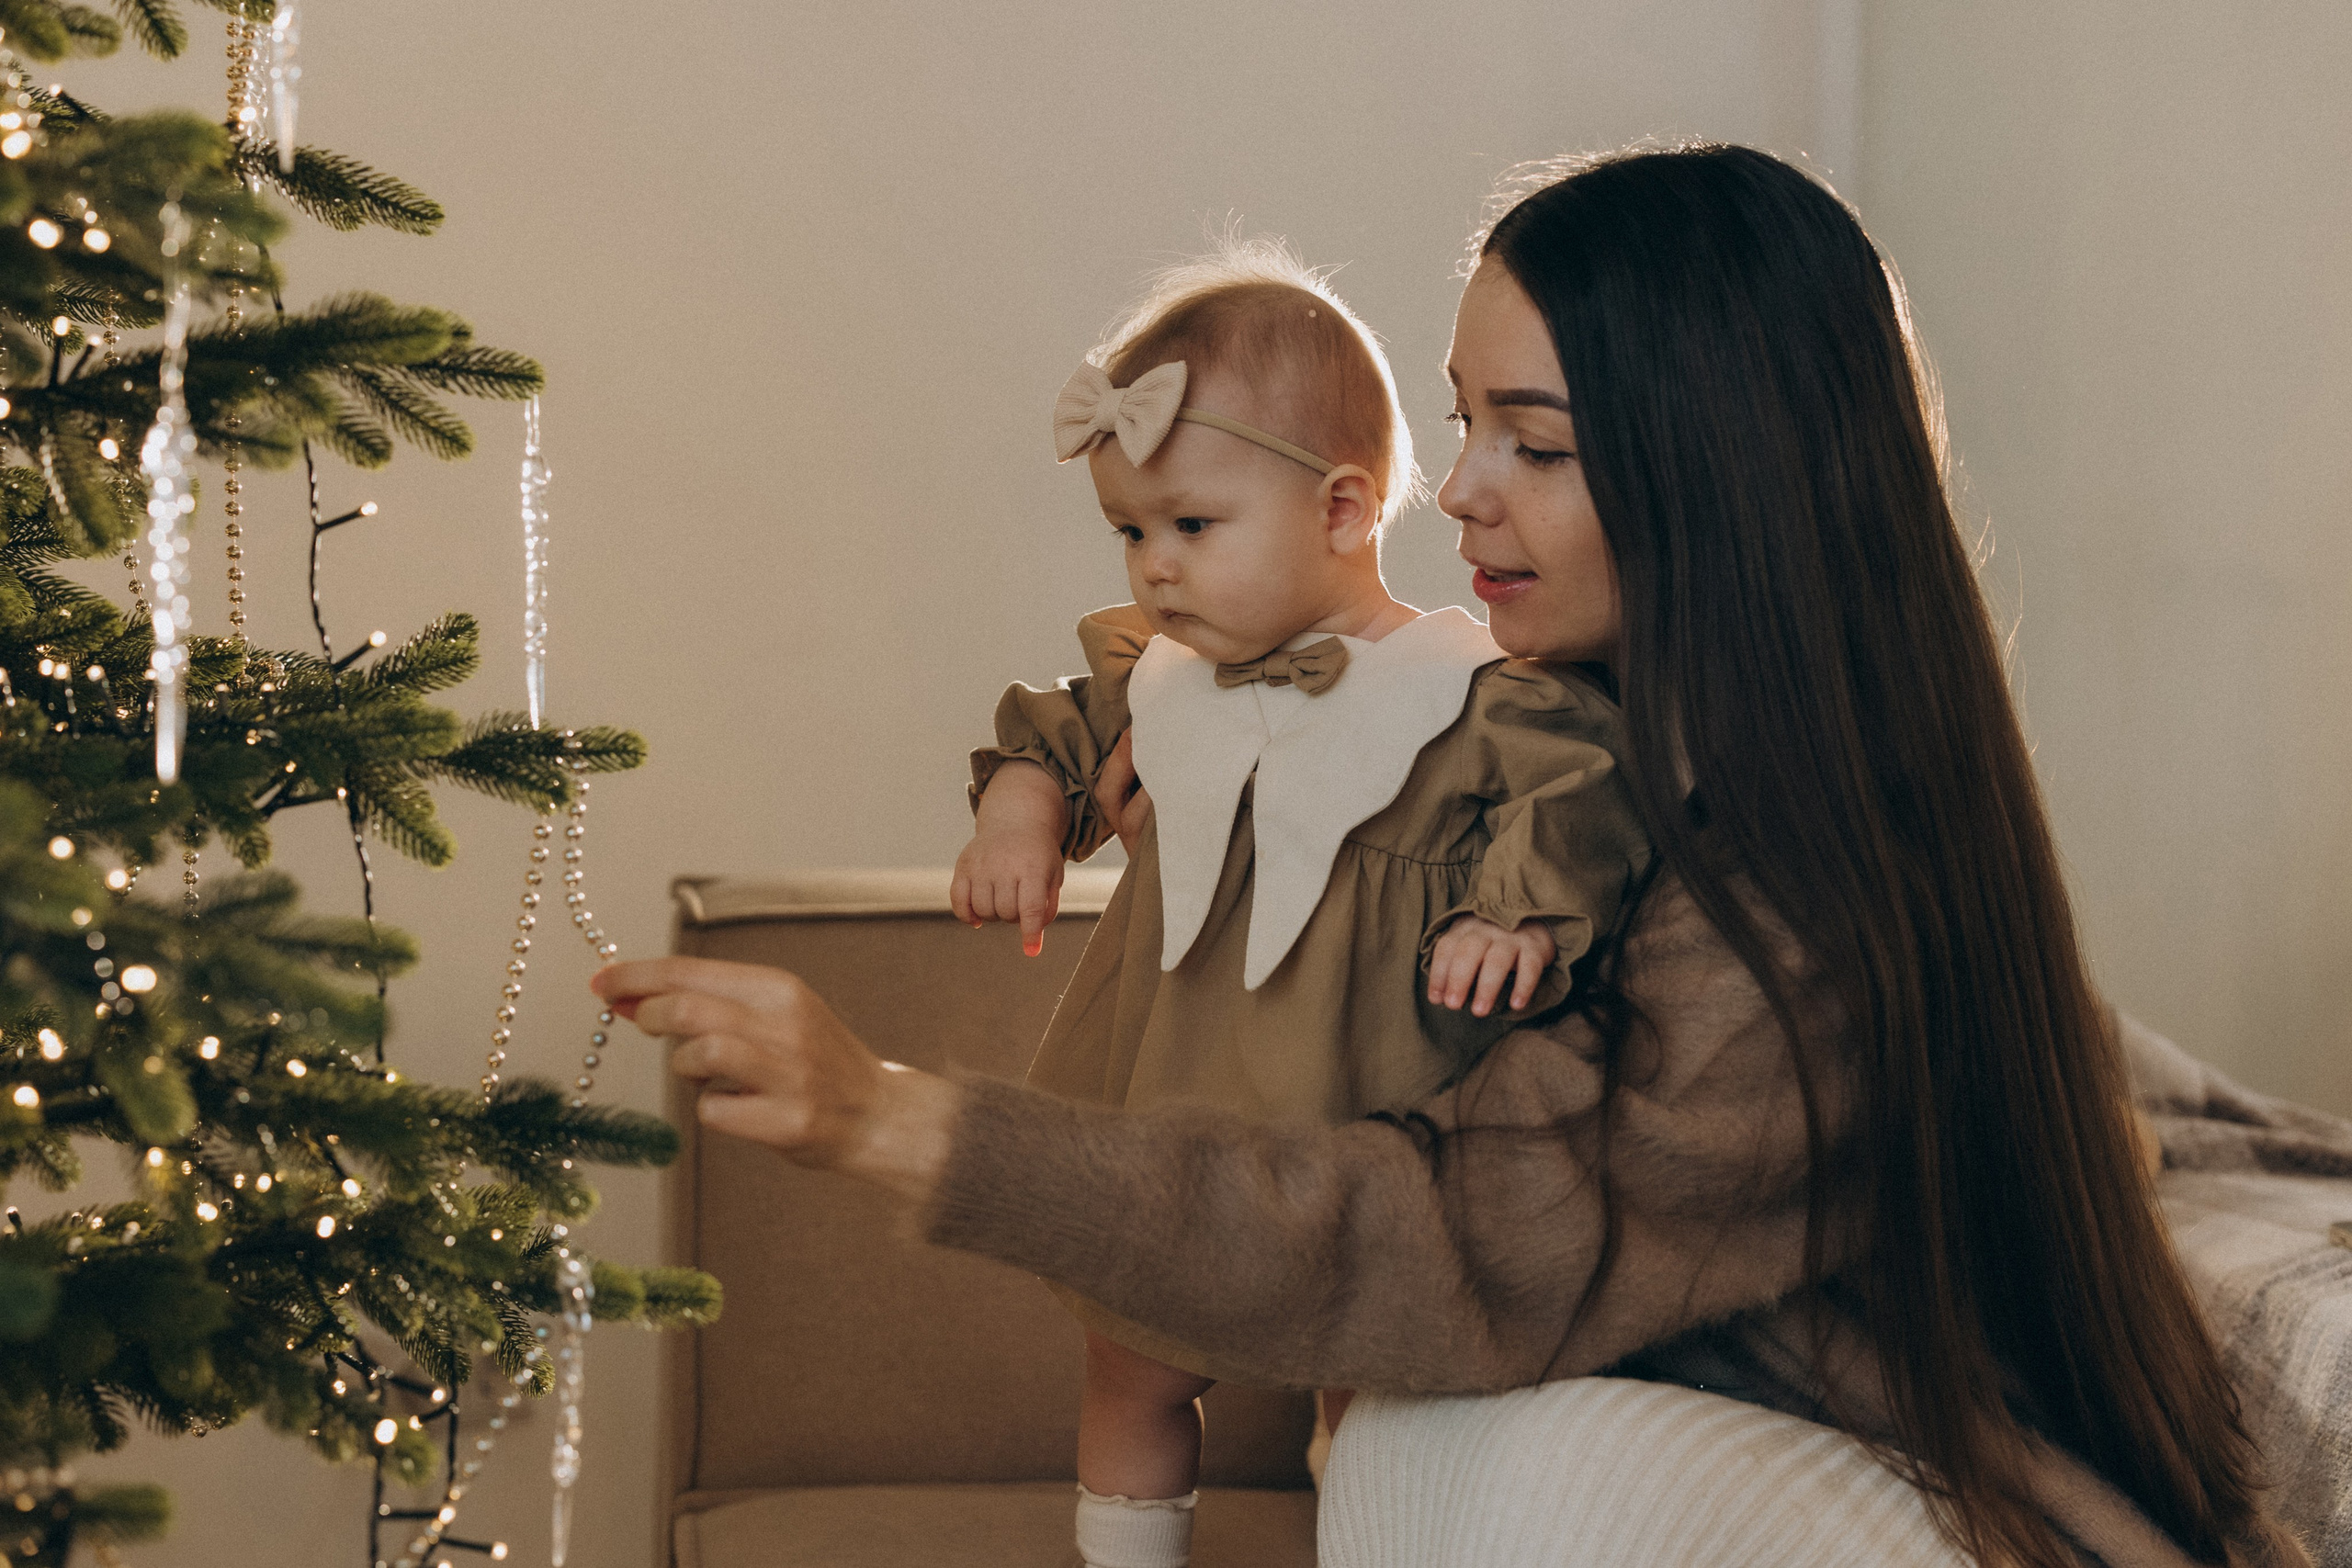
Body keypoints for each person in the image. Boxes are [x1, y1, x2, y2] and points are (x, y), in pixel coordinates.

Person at [596, 144, 2306, 1567]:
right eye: (1462, 423)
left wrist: (899, 1117)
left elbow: (1449, 1238)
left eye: (1537, 446)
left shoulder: (1805, 916)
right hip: (1697, 1413)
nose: (1459, 493)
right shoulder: (1537, 731)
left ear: (1723, 480)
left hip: (1949, 1513)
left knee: (1461, 1471)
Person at [950, 242, 1650, 1568]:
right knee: (1134, 1366)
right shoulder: (1161, 675)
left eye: (1193, 528)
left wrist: (1517, 917)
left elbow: (1574, 797)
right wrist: (1022, 820)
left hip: (1358, 1103)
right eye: (1133, 532)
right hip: (1171, 1090)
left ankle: (1370, 1538)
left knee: (1375, 1392)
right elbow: (1048, 737)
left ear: (1341, 512)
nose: (1155, 567)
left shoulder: (1463, 688)